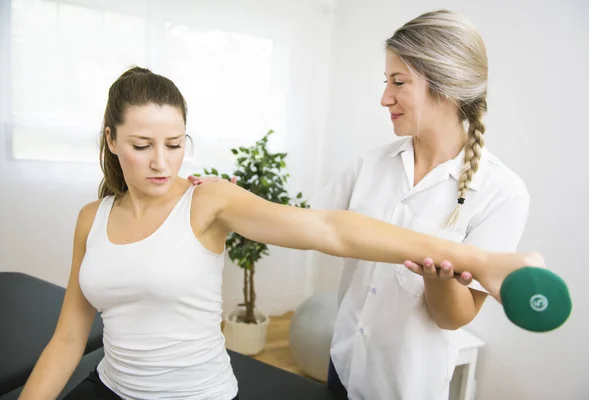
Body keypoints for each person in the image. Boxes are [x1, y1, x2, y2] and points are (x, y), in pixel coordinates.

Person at [19, 66, 541, 400]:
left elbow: (327, 228)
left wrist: (475, 260)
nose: (161, 162)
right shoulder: (92, 218)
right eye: (141, 145)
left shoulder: (208, 199)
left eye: (175, 144)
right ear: (110, 140)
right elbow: (69, 337)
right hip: (110, 386)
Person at [312, 9, 531, 400]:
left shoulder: (503, 192)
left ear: (445, 87)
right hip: (344, 363)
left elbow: (454, 317)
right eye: (387, 81)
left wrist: (437, 276)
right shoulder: (371, 165)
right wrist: (234, 199)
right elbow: (311, 225)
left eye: (399, 82)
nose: (384, 98)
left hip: (405, 385)